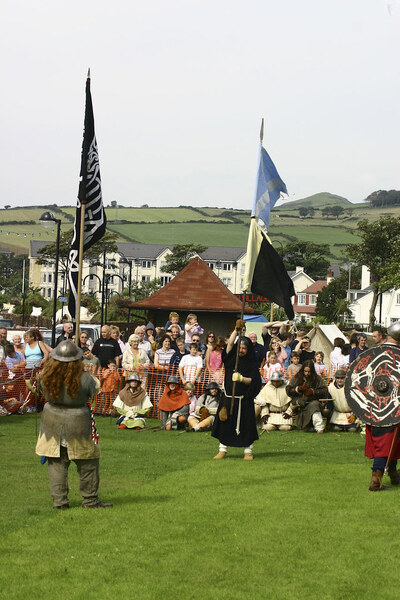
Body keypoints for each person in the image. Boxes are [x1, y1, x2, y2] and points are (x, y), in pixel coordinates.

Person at [35, 340, 112, 509]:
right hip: (78, 422)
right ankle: (90, 500)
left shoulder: (45, 376)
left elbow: (38, 389)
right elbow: (94, 389)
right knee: (88, 462)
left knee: (57, 463)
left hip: (52, 422)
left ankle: (60, 502)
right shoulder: (84, 378)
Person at [212, 320, 262, 460]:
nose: (241, 350)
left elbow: (255, 381)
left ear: (248, 350)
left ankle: (248, 451)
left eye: (244, 348)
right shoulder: (230, 359)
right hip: (228, 398)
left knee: (246, 426)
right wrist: (236, 330)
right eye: (240, 347)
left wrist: (242, 379)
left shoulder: (252, 363)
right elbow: (229, 345)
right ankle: (222, 450)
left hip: (244, 400)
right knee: (224, 424)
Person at [365, 322, 400, 491]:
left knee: (390, 442)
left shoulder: (373, 353)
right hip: (391, 407)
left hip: (374, 408)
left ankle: (393, 474)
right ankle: (376, 480)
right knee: (386, 443)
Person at [285, 360, 328, 433]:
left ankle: (319, 428)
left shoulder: (317, 378)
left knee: (315, 406)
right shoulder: (297, 378)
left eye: (309, 372)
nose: (307, 373)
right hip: (300, 405)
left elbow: (324, 391)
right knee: (304, 429)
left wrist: (313, 392)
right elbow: (288, 390)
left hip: (312, 402)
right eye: (305, 371)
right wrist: (297, 389)